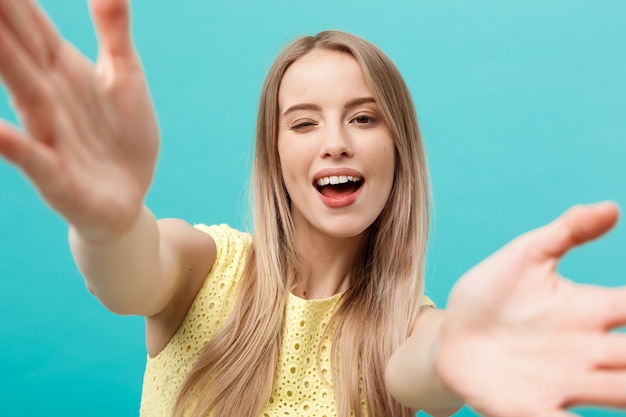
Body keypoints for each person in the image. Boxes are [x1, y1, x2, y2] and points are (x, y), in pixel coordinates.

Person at [0, 1, 625, 416]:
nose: (336, 142)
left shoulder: (408, 329)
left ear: (399, 150)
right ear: (274, 157)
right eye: (303, 123)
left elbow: (428, 365)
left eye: (363, 117)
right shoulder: (202, 265)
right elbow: (126, 274)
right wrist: (106, 222)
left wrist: (460, 346)